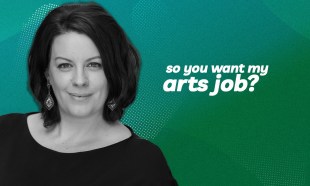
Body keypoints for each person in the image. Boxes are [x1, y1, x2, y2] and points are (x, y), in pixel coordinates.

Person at [0, 2, 178, 185]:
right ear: (47, 74)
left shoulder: (145, 164)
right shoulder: (5, 134)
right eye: (65, 65)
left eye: (94, 65)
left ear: (114, 71)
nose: (80, 80)